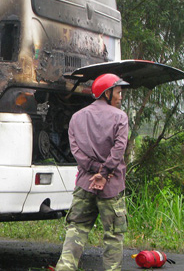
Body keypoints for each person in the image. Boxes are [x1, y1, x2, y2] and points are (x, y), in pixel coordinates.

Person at [55, 73, 129, 271]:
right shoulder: (120, 117)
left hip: (85, 184)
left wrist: (95, 171)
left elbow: (76, 151)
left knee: (76, 229)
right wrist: (104, 174)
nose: (120, 96)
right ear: (107, 93)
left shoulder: (76, 117)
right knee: (113, 236)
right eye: (118, 91)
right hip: (111, 187)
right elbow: (119, 149)